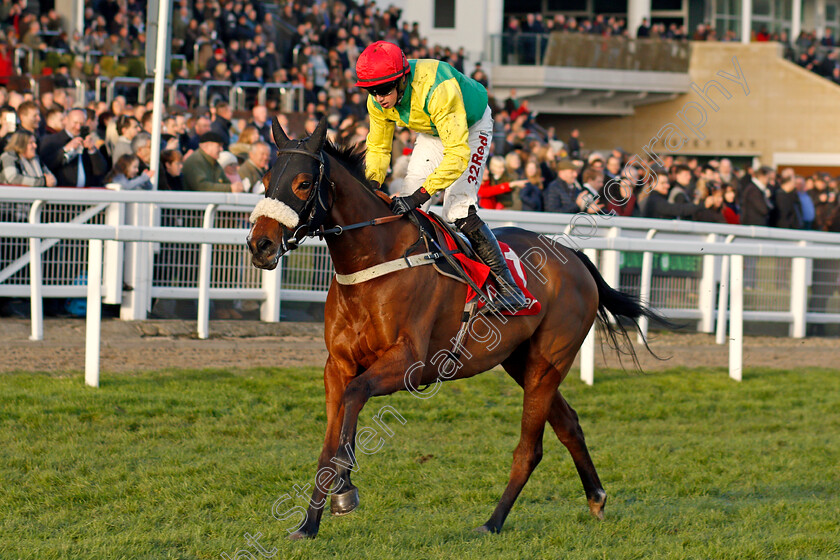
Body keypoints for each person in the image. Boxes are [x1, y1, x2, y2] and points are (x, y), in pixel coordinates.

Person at [356, 41, 527, 311]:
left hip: (471, 126)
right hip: (434, 130)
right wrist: (371, 185)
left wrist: (422, 194)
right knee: (406, 211)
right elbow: (378, 147)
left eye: (384, 89)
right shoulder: (377, 102)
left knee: (457, 210)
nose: (379, 98)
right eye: (371, 91)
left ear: (401, 80)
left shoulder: (436, 88)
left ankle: (510, 288)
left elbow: (457, 154)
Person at [39, 108, 108, 187]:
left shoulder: (86, 141)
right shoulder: (52, 140)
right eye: (75, 123)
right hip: (61, 193)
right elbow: (46, 165)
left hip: (85, 193)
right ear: (66, 120)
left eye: (81, 124)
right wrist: (65, 149)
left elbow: (101, 170)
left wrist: (92, 150)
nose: (78, 127)